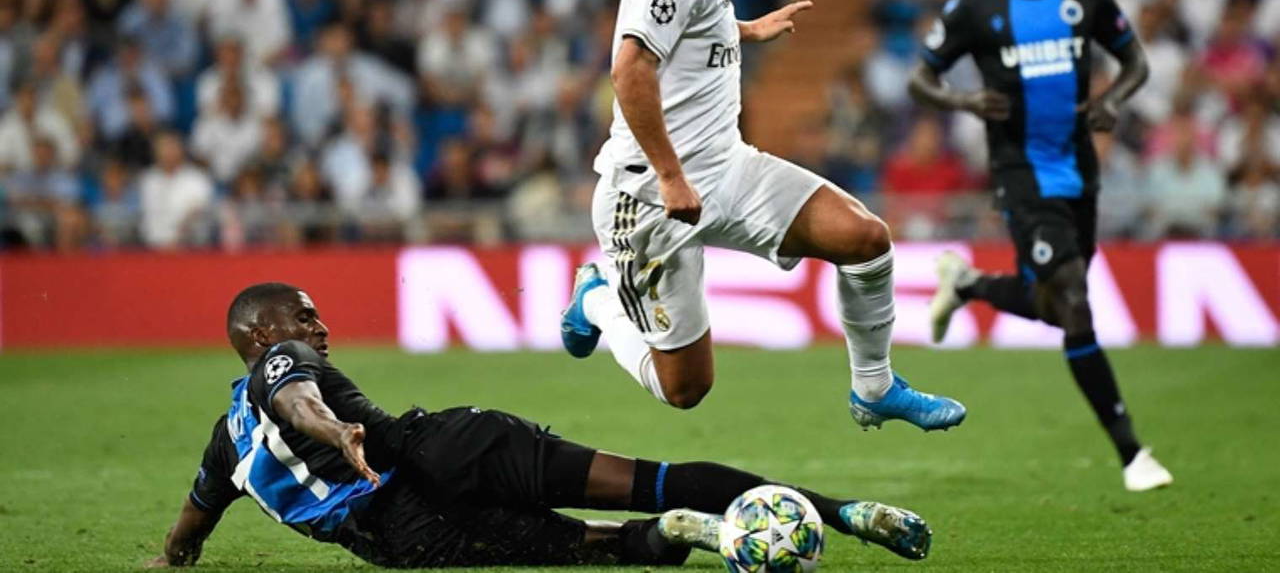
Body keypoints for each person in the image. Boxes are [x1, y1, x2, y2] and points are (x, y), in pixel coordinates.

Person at [560, 0, 965, 432]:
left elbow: (688, 33)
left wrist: (744, 30)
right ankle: (595, 299)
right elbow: (629, 70)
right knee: (685, 389)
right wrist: (670, 177)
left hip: (727, 169)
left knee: (864, 238)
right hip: (649, 199)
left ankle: (874, 388)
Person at [147, 283, 933, 569]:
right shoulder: (279, 360)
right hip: (449, 451)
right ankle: (843, 513)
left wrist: (172, 559)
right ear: (261, 335)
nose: (318, 329)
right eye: (303, 318)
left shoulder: (226, 445)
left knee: (595, 546)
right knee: (648, 478)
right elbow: (296, 399)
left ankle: (678, 535)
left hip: (406, 534)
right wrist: (337, 433)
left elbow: (195, 519)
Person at [907, 0, 1173, 492]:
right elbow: (921, 79)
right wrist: (964, 100)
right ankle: (1132, 453)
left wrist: (1114, 99)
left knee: (1054, 304)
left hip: (1079, 169)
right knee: (1074, 298)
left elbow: (1136, 62)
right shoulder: (977, 8)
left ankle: (969, 284)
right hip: (1020, 173)